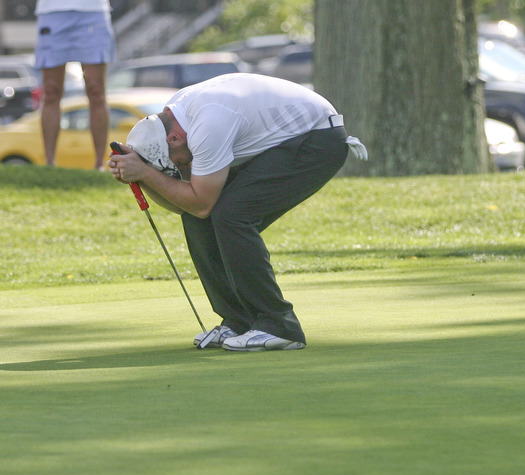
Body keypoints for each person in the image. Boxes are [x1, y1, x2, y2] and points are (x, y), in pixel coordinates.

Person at [108, 73, 367, 352]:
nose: (181, 168)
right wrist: (143, 178)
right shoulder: (177, 122)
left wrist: (146, 172)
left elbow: (201, 202)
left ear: (173, 138)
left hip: (317, 140)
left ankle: (279, 325)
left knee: (232, 214)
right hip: (282, 142)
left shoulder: (208, 124)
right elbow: (185, 206)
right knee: (207, 218)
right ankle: (240, 320)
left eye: (176, 163)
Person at [34, 0, 115, 170]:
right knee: (50, 91)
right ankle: (50, 164)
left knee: (96, 91)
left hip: (93, 11)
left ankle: (99, 165)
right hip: (52, 11)